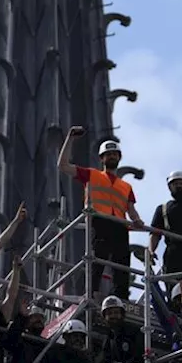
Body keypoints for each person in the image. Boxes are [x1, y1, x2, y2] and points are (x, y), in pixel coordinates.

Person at [57, 127, 145, 300]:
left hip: (120, 225)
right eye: (108, 154)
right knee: (97, 259)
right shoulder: (92, 175)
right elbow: (63, 165)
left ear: (119, 158)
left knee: (122, 264)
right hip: (100, 220)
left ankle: (121, 298)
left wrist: (137, 220)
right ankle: (92, 293)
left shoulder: (126, 186)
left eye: (115, 154)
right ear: (102, 158)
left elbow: (131, 209)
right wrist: (70, 138)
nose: (112, 156)